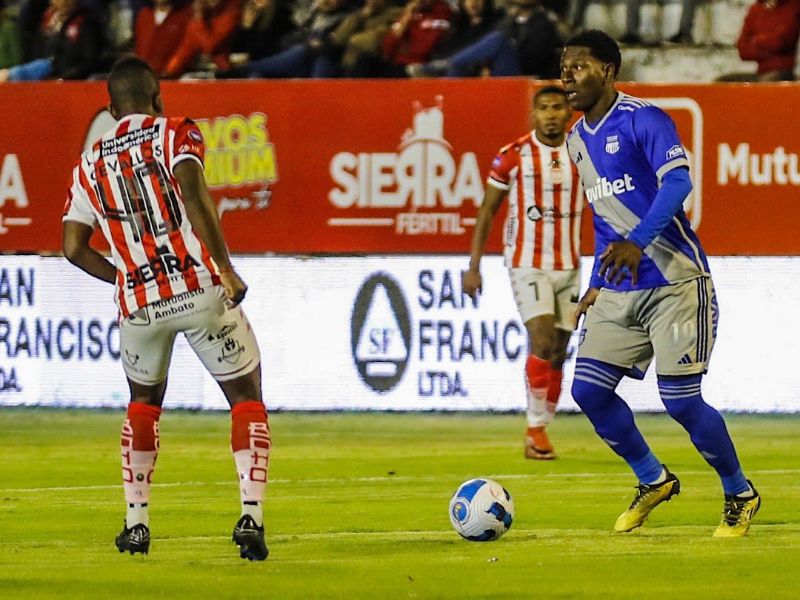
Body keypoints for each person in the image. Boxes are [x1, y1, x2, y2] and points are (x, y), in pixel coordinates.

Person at [62, 55, 271, 560]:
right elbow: (194, 193)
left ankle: (136, 525)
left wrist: (124, 277)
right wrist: (225, 267)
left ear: (110, 109)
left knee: (142, 406)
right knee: (246, 397)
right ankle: (251, 516)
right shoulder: (177, 133)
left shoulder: (89, 165)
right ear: (158, 97)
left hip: (140, 307)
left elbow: (72, 246)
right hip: (198, 289)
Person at [560, 29, 761, 537]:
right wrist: (594, 283)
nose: (568, 78)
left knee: (681, 400)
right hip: (619, 285)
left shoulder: (643, 119)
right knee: (588, 389)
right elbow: (603, 219)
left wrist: (639, 242)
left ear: (607, 70)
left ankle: (739, 491)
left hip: (674, 280)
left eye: (579, 67)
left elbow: (678, 182)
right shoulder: (575, 139)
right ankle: (654, 479)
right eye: (564, 69)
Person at [463, 86, 582, 460]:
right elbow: (487, 211)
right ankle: (534, 429)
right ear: (533, 115)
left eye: (557, 107)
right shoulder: (512, 156)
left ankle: (542, 425)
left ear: (568, 113)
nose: (550, 114)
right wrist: (474, 266)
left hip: (571, 264)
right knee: (543, 341)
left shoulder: (585, 152)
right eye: (543, 108)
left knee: (561, 351)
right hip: (527, 262)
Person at [722, 0, 800, 82]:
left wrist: (755, 41)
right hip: (761, 73)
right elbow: (743, 50)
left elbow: (781, 41)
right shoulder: (756, 8)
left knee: (766, 84)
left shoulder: (794, 5)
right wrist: (769, 43)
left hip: (784, 72)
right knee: (722, 83)